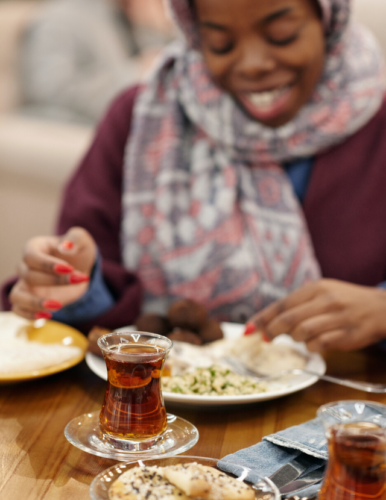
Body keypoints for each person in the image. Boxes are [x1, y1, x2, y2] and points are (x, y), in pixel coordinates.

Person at [3, 0, 386, 353]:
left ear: (329, 20)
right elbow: (88, 300)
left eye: (282, 36)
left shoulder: (378, 124)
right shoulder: (139, 120)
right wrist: (73, 287)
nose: (252, 63)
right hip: (159, 413)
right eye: (220, 44)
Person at [19, 0, 173, 123]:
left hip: (128, 116)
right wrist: (135, 73)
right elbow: (50, 91)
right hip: (75, 125)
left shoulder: (118, 12)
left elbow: (157, 54)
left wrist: (159, 26)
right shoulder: (57, 18)